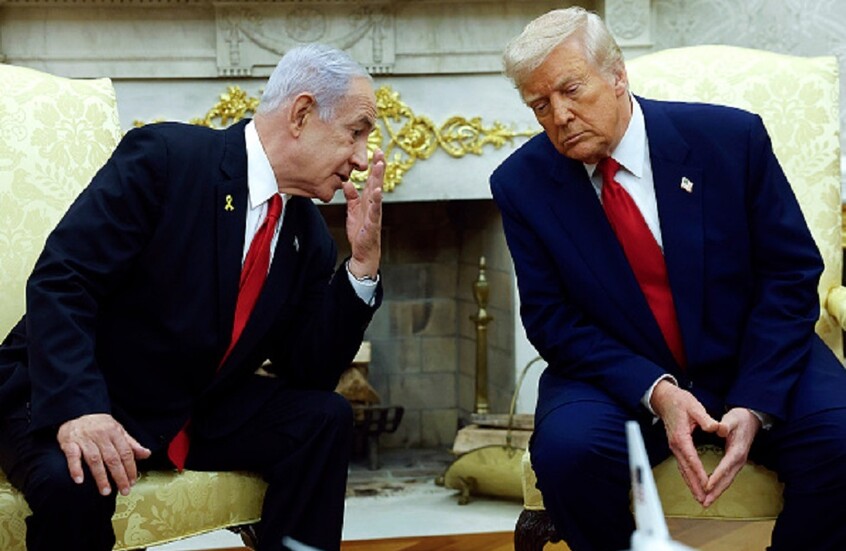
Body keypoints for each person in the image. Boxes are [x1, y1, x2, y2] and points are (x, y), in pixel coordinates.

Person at [0, 43, 384, 551]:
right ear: (301, 114)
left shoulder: (308, 236)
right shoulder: (165, 159)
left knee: (323, 418)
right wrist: (81, 410)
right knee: (75, 481)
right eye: (356, 133)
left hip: (189, 406)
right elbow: (63, 280)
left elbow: (308, 370)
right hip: (75, 387)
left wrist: (361, 268)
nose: (362, 158)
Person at [491, 7, 846, 551]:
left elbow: (791, 272)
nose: (559, 115)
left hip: (751, 351)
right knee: (568, 454)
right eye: (540, 105)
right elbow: (551, 318)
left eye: (571, 90)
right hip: (619, 370)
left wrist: (755, 401)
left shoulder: (731, 140)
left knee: (841, 439)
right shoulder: (521, 183)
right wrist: (655, 390)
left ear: (617, 75)